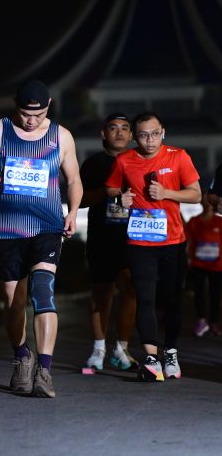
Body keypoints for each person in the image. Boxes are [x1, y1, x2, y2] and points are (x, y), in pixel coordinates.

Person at [0, 79, 83, 398]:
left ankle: (44, 369)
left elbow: (74, 179)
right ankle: (22, 357)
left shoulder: (61, 136)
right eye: (25, 114)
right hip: (7, 230)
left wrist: (72, 212)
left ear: (48, 107)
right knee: (13, 302)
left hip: (47, 227)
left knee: (43, 292)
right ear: (15, 105)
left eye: (38, 114)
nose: (31, 121)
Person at [105, 111, 201, 382]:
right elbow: (111, 188)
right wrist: (120, 197)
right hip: (139, 240)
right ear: (135, 137)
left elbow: (196, 193)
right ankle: (151, 358)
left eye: (155, 134)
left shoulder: (178, 157)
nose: (150, 140)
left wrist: (167, 193)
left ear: (163, 133)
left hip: (172, 240)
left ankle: (170, 352)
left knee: (171, 299)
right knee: (144, 297)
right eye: (144, 135)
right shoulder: (124, 160)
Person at [80, 113, 138, 372]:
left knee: (131, 290)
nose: (120, 132)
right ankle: (98, 349)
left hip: (133, 237)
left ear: (132, 135)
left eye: (125, 128)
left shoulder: (140, 161)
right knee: (101, 294)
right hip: (102, 238)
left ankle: (121, 349)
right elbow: (80, 200)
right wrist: (105, 192)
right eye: (113, 128)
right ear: (103, 134)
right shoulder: (93, 164)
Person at [186, 191, 222, 337]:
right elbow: (188, 242)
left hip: (217, 265)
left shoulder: (219, 222)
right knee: (199, 292)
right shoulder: (194, 221)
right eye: (204, 200)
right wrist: (188, 259)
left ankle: (213, 322)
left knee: (215, 293)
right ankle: (201, 320)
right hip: (198, 264)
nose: (206, 203)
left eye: (209, 200)